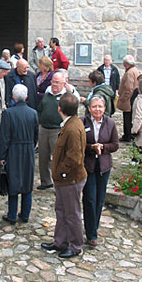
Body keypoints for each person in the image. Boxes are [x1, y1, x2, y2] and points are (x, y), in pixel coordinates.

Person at [41, 93, 87, 259]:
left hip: (70, 179)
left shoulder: (73, 128)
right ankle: (60, 241)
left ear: (60, 108)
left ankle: (75, 245)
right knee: (61, 210)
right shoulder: (70, 123)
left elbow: (74, 157)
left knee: (72, 213)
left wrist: (61, 171)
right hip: (64, 179)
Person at [0, 85, 39, 224]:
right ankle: (25, 214)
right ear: (26, 97)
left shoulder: (8, 113)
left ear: (13, 97)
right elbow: (35, 135)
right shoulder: (33, 113)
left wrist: (1, 156)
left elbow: (4, 137)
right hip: (27, 150)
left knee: (13, 182)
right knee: (27, 183)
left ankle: (12, 215)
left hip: (13, 151)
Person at [81, 96, 119, 247]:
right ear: (89, 108)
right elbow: (79, 143)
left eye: (100, 107)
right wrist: (91, 147)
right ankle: (91, 233)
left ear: (104, 108)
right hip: (88, 165)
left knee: (99, 199)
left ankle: (93, 228)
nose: (97, 109)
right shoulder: (83, 122)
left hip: (104, 166)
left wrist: (103, 147)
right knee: (89, 198)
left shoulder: (110, 123)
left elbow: (115, 145)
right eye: (94, 106)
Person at [37, 71, 68, 191]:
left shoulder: (66, 97)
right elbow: (40, 109)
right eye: (53, 81)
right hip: (44, 129)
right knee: (43, 157)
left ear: (63, 84)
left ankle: (59, 182)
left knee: (57, 157)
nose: (54, 84)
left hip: (57, 130)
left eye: (57, 82)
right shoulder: (47, 93)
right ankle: (46, 181)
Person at [117, 55, 139, 142]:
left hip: (128, 100)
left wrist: (123, 98)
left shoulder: (130, 72)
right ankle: (129, 135)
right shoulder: (134, 70)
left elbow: (129, 88)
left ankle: (128, 136)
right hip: (132, 98)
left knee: (127, 118)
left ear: (126, 63)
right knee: (129, 118)